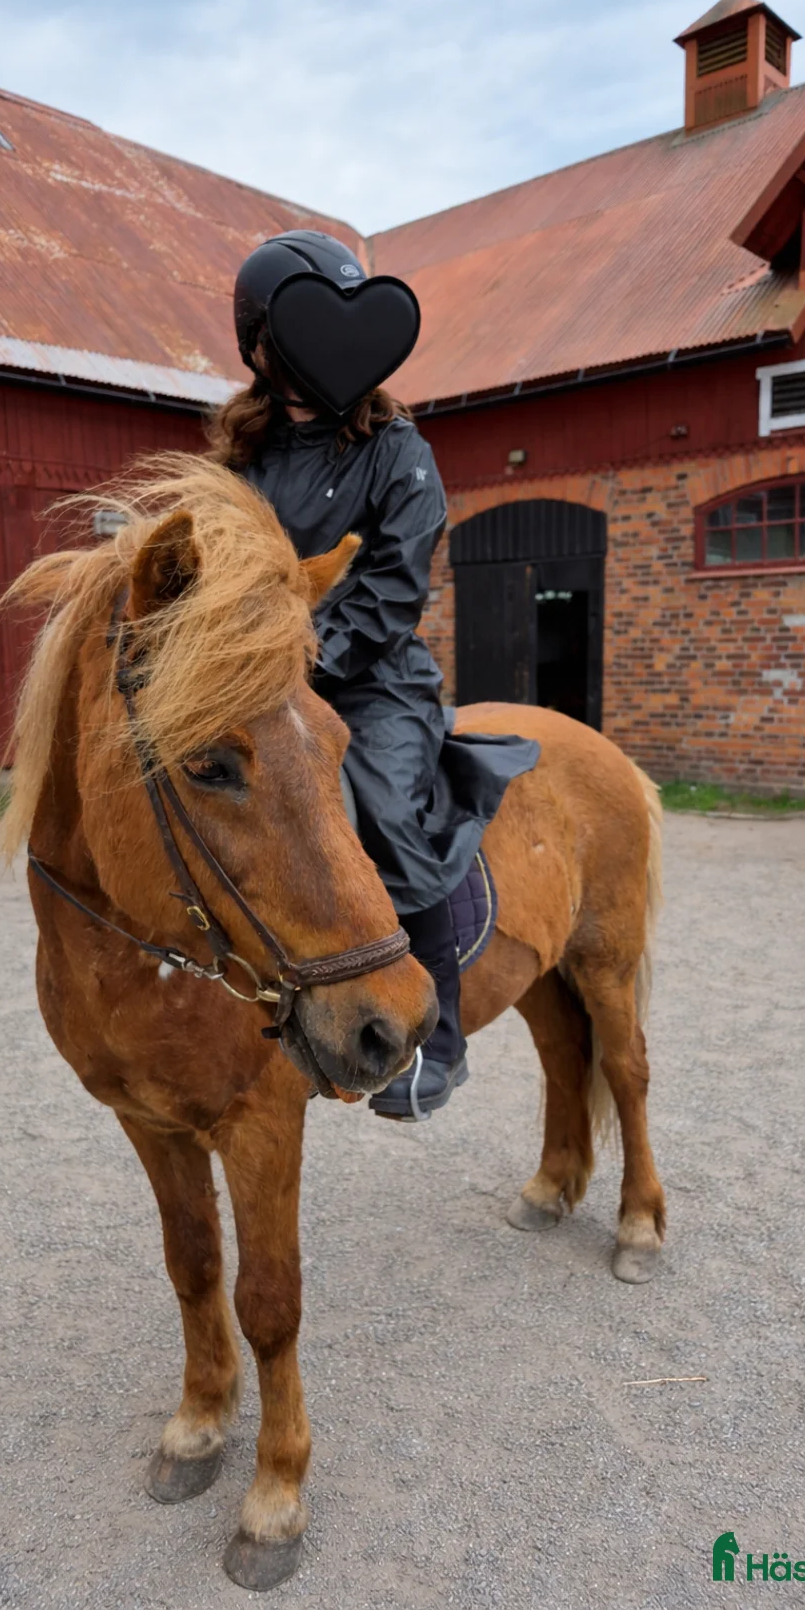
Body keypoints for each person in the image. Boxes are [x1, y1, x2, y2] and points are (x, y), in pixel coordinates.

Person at [209, 230, 537, 1120]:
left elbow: (394, 588)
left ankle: (440, 1039)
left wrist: (300, 661)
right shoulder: (237, 460)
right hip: (255, 678)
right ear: (263, 348)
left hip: (372, 675)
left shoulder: (398, 452)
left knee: (389, 810)